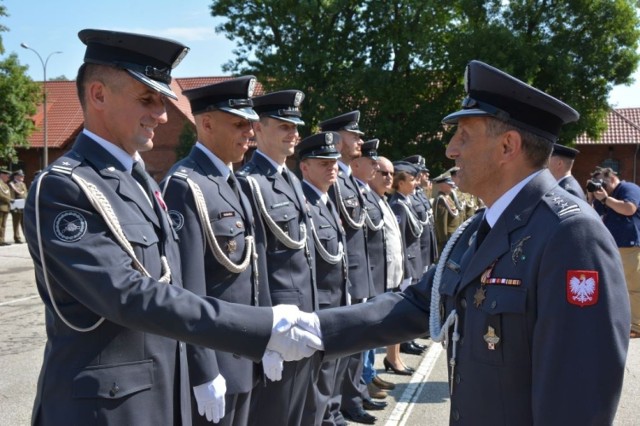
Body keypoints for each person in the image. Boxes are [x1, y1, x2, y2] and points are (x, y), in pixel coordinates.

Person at [301, 60, 630, 425]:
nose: (451, 150)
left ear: (508, 145)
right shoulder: (481, 227)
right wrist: (296, 329)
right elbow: (413, 306)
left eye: (463, 136)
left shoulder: (571, 235)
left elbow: (577, 402)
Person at [23, 29, 320, 426]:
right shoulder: (64, 186)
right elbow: (130, 295)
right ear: (98, 95)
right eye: (147, 99)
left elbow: (176, 282)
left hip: (164, 392)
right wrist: (256, 328)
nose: (162, 116)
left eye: (163, 102)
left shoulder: (140, 181)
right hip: (105, 408)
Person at [161, 76, 275, 426]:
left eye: (250, 125)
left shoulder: (233, 182)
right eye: (239, 124)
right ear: (206, 123)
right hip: (217, 360)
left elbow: (256, 268)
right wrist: (204, 370)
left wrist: (267, 336)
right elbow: (189, 291)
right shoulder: (185, 185)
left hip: (245, 354)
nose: (250, 134)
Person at [236, 89, 320, 426]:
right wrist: (266, 337)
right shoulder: (250, 183)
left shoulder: (292, 181)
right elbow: (254, 267)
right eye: (284, 125)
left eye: (295, 126)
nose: (294, 133)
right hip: (279, 323)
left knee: (298, 413)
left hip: (304, 316)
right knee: (273, 415)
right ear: (258, 129)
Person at [320, 110, 377, 425]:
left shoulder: (350, 180)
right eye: (355, 135)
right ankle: (339, 406)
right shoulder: (332, 177)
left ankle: (351, 399)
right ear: (338, 138)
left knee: (356, 345)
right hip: (344, 274)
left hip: (358, 273)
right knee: (341, 348)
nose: (360, 141)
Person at [295, 131, 350, 426]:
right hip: (320, 305)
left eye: (335, 162)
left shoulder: (326, 201)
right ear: (305, 167)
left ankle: (332, 416)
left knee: (333, 372)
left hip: (336, 301)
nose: (333, 168)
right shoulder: (304, 204)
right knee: (318, 381)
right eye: (324, 163)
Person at [351, 139, 396, 408]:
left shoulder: (374, 197)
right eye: (376, 166)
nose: (380, 172)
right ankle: (364, 378)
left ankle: (369, 374)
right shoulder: (359, 194)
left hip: (378, 274)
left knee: (372, 334)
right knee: (365, 333)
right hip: (365, 274)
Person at [369, 157, 413, 375]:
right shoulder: (377, 201)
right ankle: (369, 376)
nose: (389, 178)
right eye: (383, 173)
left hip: (394, 273)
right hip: (379, 277)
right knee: (373, 329)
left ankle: (384, 365)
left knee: (392, 320)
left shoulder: (384, 201)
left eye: (391, 173)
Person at [589, 167, 640, 338]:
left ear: (611, 178)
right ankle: (621, 321)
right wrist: (592, 198)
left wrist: (606, 198)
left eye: (602, 183)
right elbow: (594, 215)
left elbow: (629, 208)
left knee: (633, 287)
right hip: (610, 245)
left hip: (628, 246)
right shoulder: (603, 196)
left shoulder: (628, 188)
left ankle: (637, 326)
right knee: (614, 286)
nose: (600, 187)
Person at [432, 174, 463, 255]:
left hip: (452, 235)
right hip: (447, 237)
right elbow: (440, 222)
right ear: (442, 185)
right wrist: (443, 241)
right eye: (450, 184)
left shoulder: (448, 197)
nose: (452, 186)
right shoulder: (441, 200)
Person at [9, 169, 27, 243]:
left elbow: (25, 194)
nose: (22, 177)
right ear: (16, 176)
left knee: (24, 223)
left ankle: (26, 237)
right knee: (16, 223)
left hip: (23, 206)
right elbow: (11, 195)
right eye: (20, 176)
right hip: (16, 206)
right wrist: (12, 206)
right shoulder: (12, 184)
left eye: (22, 176)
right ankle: (17, 238)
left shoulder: (23, 184)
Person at [0, 168, 10, 246]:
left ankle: (2, 239)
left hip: (6, 207)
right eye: (7, 176)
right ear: (2, 175)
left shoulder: (5, 184)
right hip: (1, 207)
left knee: (3, 225)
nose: (8, 177)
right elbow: (1, 195)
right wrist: (9, 200)